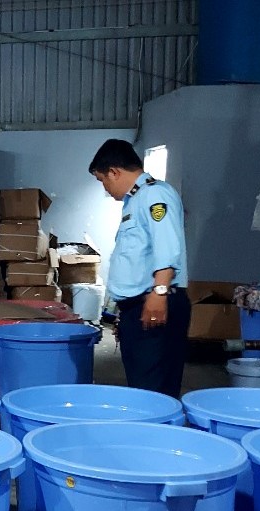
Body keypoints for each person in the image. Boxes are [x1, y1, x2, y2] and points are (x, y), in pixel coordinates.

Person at [90, 139, 190, 398]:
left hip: (155, 303)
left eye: (102, 180)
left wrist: (159, 293)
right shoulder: (135, 200)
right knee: (143, 386)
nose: (105, 188)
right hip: (140, 307)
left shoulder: (155, 195)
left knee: (153, 390)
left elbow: (167, 246)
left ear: (114, 172)